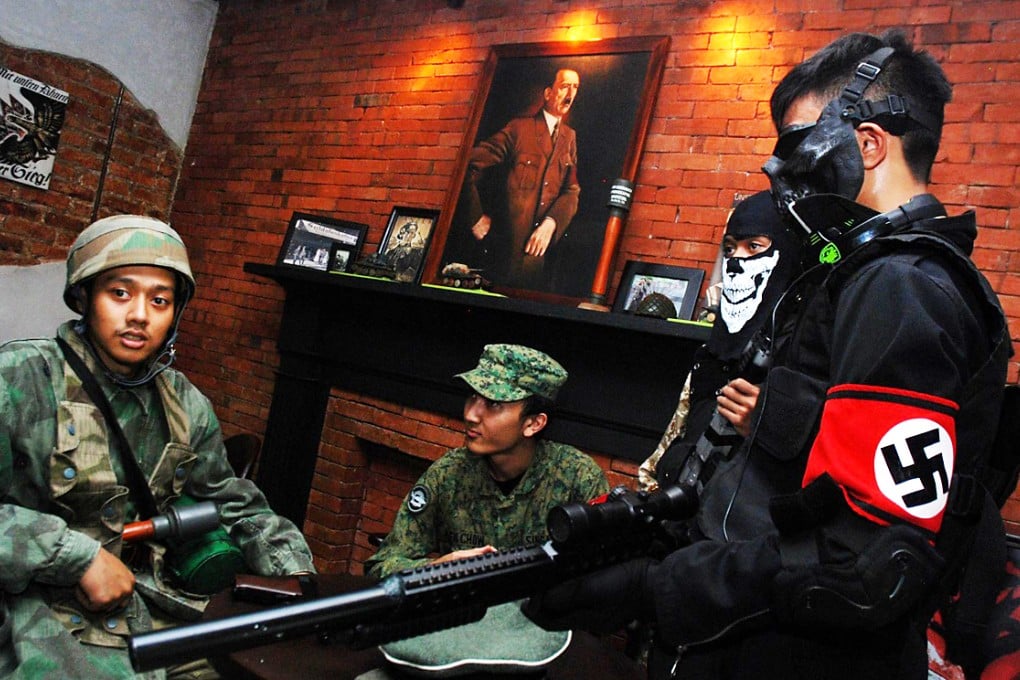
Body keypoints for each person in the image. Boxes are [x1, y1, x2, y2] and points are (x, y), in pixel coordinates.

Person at [525, 30, 1010, 680]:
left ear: (868, 144)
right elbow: (786, 480)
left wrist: (661, 586)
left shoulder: (902, 287)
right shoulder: (852, 275)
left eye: (799, 148)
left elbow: (868, 562)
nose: (782, 173)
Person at [0, 215, 315, 679]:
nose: (140, 315)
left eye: (160, 300)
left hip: (155, 604)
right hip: (39, 614)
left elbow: (233, 505)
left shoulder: (185, 404)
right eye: (120, 293)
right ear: (85, 297)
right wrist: (73, 556)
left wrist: (299, 578)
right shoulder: (20, 378)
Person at [365, 343, 609, 579]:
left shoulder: (577, 478)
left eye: (494, 404)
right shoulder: (449, 474)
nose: (471, 414)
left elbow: (604, 575)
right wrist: (437, 569)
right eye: (473, 396)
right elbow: (381, 565)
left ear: (533, 423)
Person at [638, 190, 801, 494]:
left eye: (754, 246)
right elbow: (668, 447)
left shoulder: (800, 362)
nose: (736, 260)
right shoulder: (710, 356)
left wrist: (767, 427)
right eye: (730, 248)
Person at [452, 68, 581, 291]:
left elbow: (572, 190)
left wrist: (552, 222)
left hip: (536, 264)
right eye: (564, 86)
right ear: (548, 93)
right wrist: (475, 216)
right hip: (501, 255)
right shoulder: (519, 129)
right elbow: (466, 164)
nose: (570, 94)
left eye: (575, 87)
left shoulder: (569, 137)